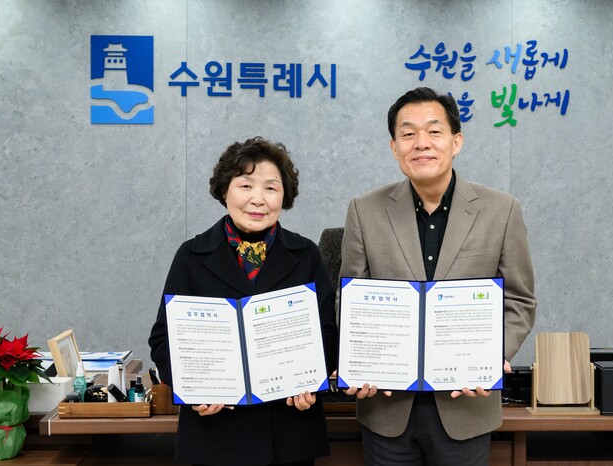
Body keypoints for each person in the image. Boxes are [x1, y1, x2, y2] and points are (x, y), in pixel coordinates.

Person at [339, 87, 536, 465]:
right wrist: (356, 361)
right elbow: (348, 299)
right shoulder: (364, 210)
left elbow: (520, 298)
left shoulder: (502, 210)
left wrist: (493, 356)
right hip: (386, 407)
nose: (421, 143)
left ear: (456, 141)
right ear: (394, 147)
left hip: (466, 406)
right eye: (408, 134)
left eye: (434, 131)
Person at [149, 137, 338, 466]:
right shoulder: (191, 256)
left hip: (289, 433)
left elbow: (328, 332)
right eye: (246, 185)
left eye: (270, 188)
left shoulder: (306, 253)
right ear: (225, 190)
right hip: (214, 435)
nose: (258, 199)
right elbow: (163, 339)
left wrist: (313, 383)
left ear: (284, 196)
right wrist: (192, 390)